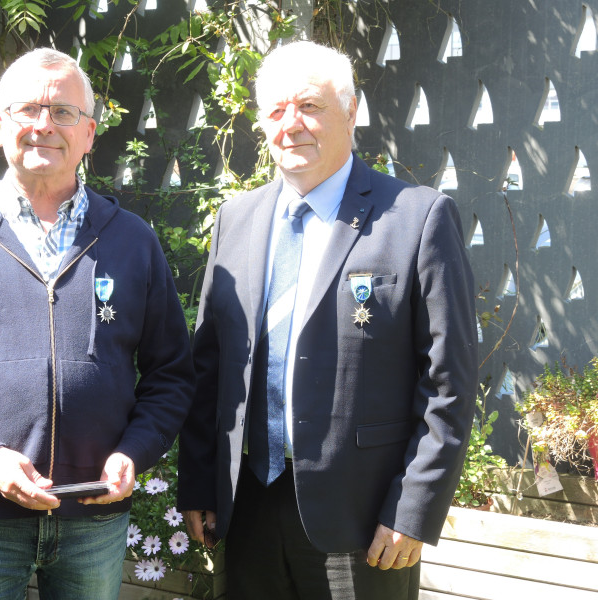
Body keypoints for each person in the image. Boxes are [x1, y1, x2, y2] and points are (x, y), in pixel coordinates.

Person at [0, 48, 194, 600]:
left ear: (89, 133)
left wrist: (134, 451)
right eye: (28, 109)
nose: (44, 125)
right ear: (0, 126)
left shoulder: (132, 240)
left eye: (64, 112)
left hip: (93, 518)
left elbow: (171, 374)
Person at [176, 40, 477, 599]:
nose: (291, 124)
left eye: (310, 105)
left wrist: (413, 508)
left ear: (352, 111)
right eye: (275, 110)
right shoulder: (234, 220)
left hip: (361, 522)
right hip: (248, 510)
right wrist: (198, 482)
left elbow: (447, 381)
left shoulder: (416, 217)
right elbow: (208, 367)